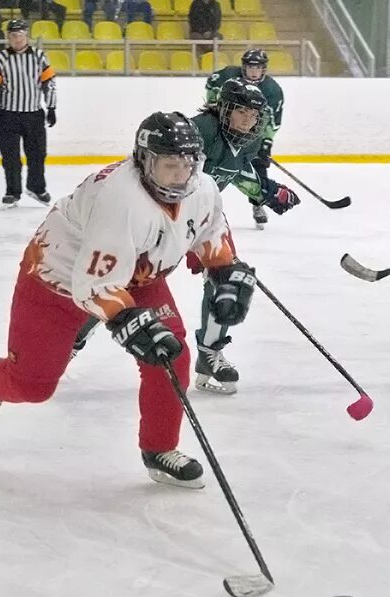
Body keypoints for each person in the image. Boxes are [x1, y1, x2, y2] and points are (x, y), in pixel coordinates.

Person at [0, 112, 259, 489]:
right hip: (55, 281)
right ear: (144, 161)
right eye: (169, 166)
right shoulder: (119, 198)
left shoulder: (202, 189)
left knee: (172, 354)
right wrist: (128, 322)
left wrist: (224, 270)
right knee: (33, 387)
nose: (180, 176)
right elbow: (93, 286)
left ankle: (159, 448)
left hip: (138, 275)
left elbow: (211, 232)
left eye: (187, 165)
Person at [70, 79, 300, 395]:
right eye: (241, 111)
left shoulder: (245, 140)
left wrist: (268, 193)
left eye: (253, 114)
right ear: (224, 109)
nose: (248, 120)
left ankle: (209, 352)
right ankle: (74, 335)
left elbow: (238, 171)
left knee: (226, 278)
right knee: (123, 281)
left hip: (200, 215)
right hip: (158, 214)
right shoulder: (201, 131)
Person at [205, 49, 284, 228]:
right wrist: (213, 107)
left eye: (257, 68)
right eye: (250, 67)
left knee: (259, 167)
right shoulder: (228, 76)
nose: (253, 72)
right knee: (217, 165)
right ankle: (204, 204)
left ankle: (257, 205)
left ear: (264, 69)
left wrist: (266, 143)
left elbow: (274, 121)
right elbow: (212, 84)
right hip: (227, 128)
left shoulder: (273, 91)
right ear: (243, 67)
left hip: (254, 133)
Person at [0, 20, 57, 208]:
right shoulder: (0, 59)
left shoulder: (40, 57)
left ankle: (36, 187)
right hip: (8, 115)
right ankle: (12, 192)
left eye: (20, 35)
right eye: (13, 36)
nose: (17, 39)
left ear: (27, 36)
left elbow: (49, 84)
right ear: (8, 38)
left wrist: (51, 107)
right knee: (10, 157)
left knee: (38, 154)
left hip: (33, 114)